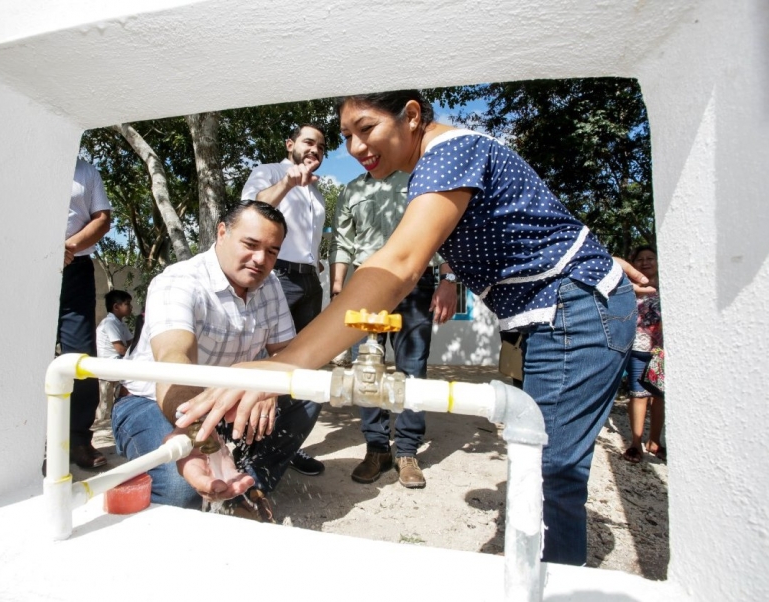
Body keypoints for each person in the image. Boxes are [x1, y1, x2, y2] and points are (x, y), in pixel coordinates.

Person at [178, 90, 647, 566]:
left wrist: (281, 368)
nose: (357, 147)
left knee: (549, 474)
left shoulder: (449, 153)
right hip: (561, 306)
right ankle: (535, 571)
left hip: (570, 311)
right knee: (538, 470)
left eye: (367, 128)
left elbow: (399, 265)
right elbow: (530, 217)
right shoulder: (435, 167)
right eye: (347, 137)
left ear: (413, 116)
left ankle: (548, 581)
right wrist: (590, 255)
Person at [112, 201, 319, 520]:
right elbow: (173, 360)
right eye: (250, 244)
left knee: (307, 393)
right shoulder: (179, 280)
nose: (261, 260)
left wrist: (270, 384)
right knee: (181, 490)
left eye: (272, 251)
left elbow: (288, 353)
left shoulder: (270, 284)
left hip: (225, 400)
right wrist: (200, 436)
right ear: (222, 233)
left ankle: (248, 488)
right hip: (154, 402)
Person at [330, 169, 458, 488]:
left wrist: (449, 280)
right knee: (367, 369)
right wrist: (336, 289)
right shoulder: (352, 189)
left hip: (414, 282)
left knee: (412, 368)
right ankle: (377, 450)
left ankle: (407, 452)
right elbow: (343, 242)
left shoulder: (420, 180)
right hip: (365, 284)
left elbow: (438, 232)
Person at [240, 124, 328, 476]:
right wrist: (289, 182)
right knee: (266, 361)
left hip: (309, 280)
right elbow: (249, 210)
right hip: (278, 279)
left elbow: (308, 236)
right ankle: (244, 446)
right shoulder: (269, 172)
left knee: (303, 366)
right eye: (309, 142)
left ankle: (286, 446)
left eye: (321, 147)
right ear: (290, 144)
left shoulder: (319, 192)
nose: (315, 150)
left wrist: (315, 260)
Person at [57, 157, 111, 469]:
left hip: (74, 268)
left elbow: (102, 219)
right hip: (22, 263)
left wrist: (68, 247)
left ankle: (78, 439)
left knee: (81, 357)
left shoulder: (86, 170)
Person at [622, 245, 665, 463]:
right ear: (634, 263)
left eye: (650, 258)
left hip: (662, 351)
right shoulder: (627, 287)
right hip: (637, 348)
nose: (646, 262)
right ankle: (635, 444)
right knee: (638, 395)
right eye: (641, 259)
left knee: (659, 397)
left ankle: (655, 441)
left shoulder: (670, 285)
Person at [95, 289, 134, 421]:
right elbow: (121, 349)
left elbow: (132, 343)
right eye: (127, 304)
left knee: (116, 400)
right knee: (105, 403)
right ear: (116, 307)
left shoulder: (120, 323)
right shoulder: (110, 323)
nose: (130, 307)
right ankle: (103, 426)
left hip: (118, 367)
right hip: (108, 369)